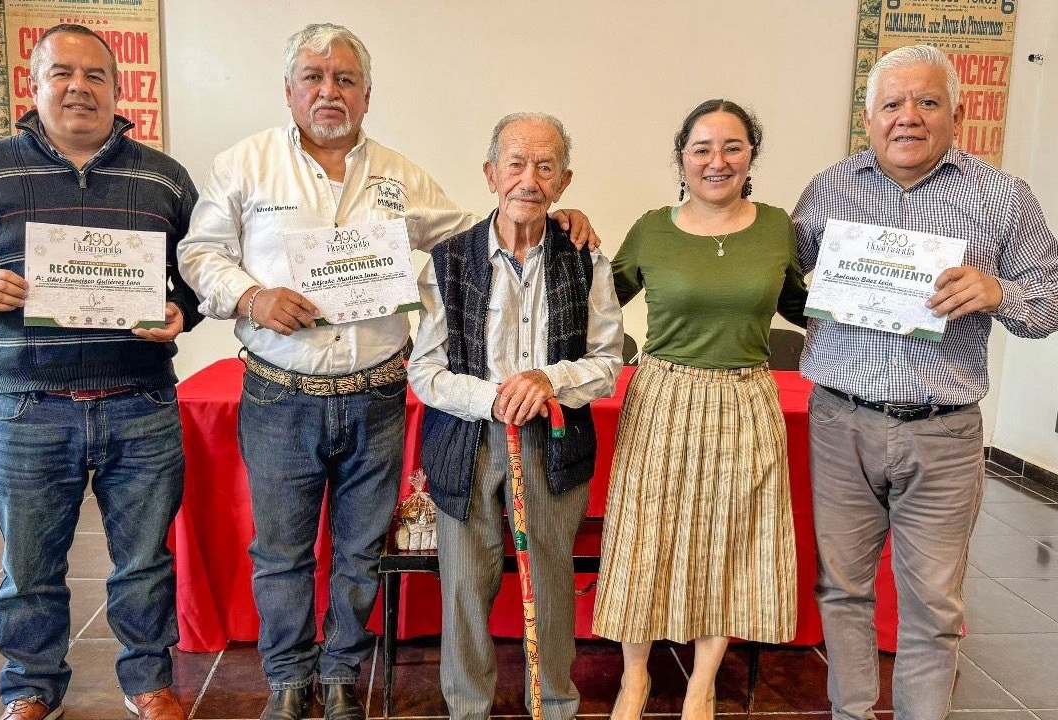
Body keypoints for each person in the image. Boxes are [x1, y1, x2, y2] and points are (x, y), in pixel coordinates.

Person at [175, 24, 597, 720]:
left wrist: (551, 213)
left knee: (360, 547)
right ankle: (287, 678)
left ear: (366, 95)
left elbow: (474, 230)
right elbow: (200, 255)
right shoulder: (243, 166)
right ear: (289, 90)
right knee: (280, 549)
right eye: (313, 77)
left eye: (344, 79)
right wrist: (251, 296)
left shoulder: (399, 176)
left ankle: (342, 673)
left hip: (375, 393)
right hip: (280, 394)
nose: (328, 91)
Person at [0, 24, 197, 720]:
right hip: (29, 405)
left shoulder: (163, 177)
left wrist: (181, 309)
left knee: (144, 563)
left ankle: (147, 681)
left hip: (141, 402)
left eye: (95, 75)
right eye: (61, 73)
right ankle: (31, 687)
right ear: (33, 87)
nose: (79, 87)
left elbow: (200, 274)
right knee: (31, 568)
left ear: (118, 88)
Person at [791, 45, 1058, 720]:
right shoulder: (829, 187)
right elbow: (774, 273)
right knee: (843, 592)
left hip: (943, 434)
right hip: (841, 423)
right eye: (892, 104)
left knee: (933, 608)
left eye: (926, 102)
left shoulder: (1002, 197)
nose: (908, 118)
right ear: (870, 118)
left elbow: (1055, 298)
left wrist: (998, 290)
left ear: (959, 111)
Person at [592, 99, 807, 720]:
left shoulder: (775, 227)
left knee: (731, 541)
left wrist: (886, 306)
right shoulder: (652, 229)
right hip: (662, 397)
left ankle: (701, 685)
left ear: (751, 157)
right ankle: (635, 678)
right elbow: (599, 302)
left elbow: (800, 304)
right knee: (644, 538)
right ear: (682, 160)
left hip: (746, 398)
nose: (718, 161)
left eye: (732, 147)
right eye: (702, 149)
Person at [409, 112, 623, 720]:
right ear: (490, 173)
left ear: (564, 181)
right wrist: (493, 398)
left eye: (545, 166)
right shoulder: (447, 261)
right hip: (465, 441)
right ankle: (467, 707)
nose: (529, 179)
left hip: (555, 445)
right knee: (465, 585)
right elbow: (424, 372)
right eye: (516, 163)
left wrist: (548, 380)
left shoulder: (587, 259)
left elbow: (607, 362)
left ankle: (555, 705)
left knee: (552, 585)